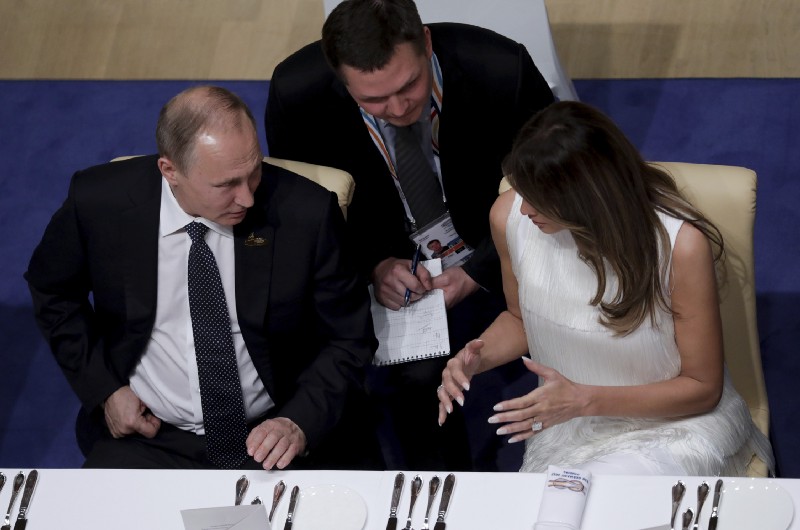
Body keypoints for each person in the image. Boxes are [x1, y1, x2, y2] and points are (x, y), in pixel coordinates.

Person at [25, 86, 384, 471]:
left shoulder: (306, 213)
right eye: (227, 185)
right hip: (150, 436)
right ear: (170, 171)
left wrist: (297, 421)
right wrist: (106, 390)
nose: (247, 198)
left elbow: (349, 337)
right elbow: (53, 291)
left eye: (254, 173)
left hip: (274, 435)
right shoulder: (98, 202)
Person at [266, 0, 554, 471]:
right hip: (396, 266)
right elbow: (306, 210)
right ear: (339, 77)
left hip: (504, 246)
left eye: (409, 86)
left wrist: (478, 270)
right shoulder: (298, 95)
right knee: (414, 380)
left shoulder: (502, 70)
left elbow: (560, 183)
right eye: (374, 101)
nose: (398, 109)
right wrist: (374, 262)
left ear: (425, 42)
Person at [437, 101, 774, 475]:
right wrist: (477, 359)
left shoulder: (679, 246)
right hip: (571, 423)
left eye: (541, 195)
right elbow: (521, 320)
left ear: (587, 193)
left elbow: (701, 388)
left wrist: (585, 400)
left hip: (673, 427)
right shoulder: (507, 216)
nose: (526, 208)